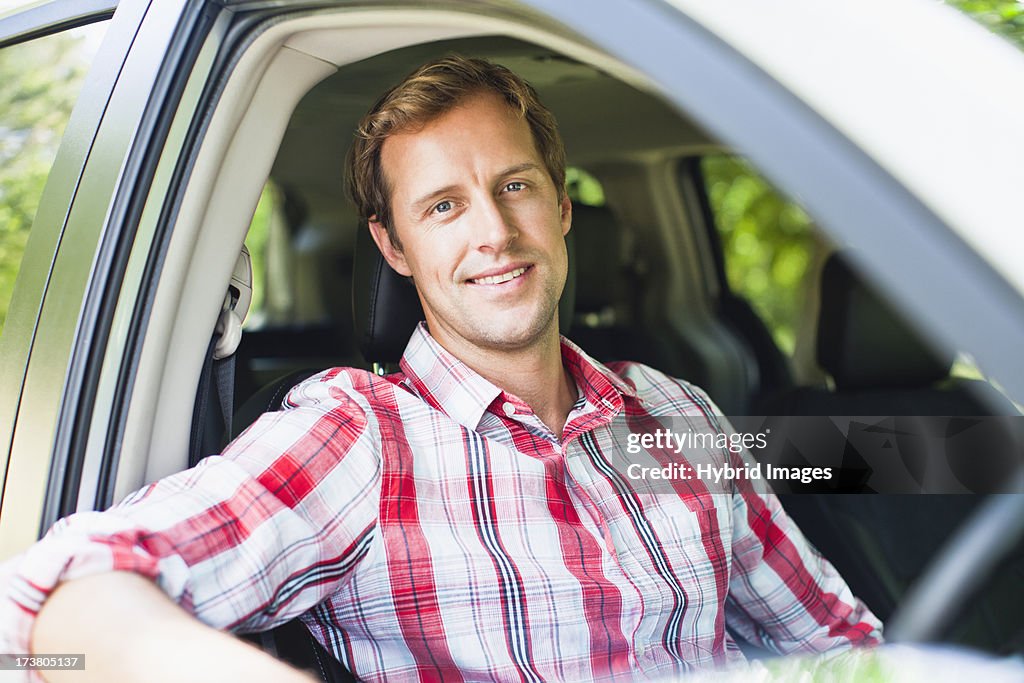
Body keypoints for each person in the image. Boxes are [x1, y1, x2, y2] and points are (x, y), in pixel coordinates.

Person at [0, 55, 881, 682]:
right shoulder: (358, 438)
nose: (494, 234)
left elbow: (837, 637)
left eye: (515, 185)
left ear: (563, 206)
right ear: (393, 245)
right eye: (444, 206)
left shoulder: (675, 411)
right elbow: (50, 604)